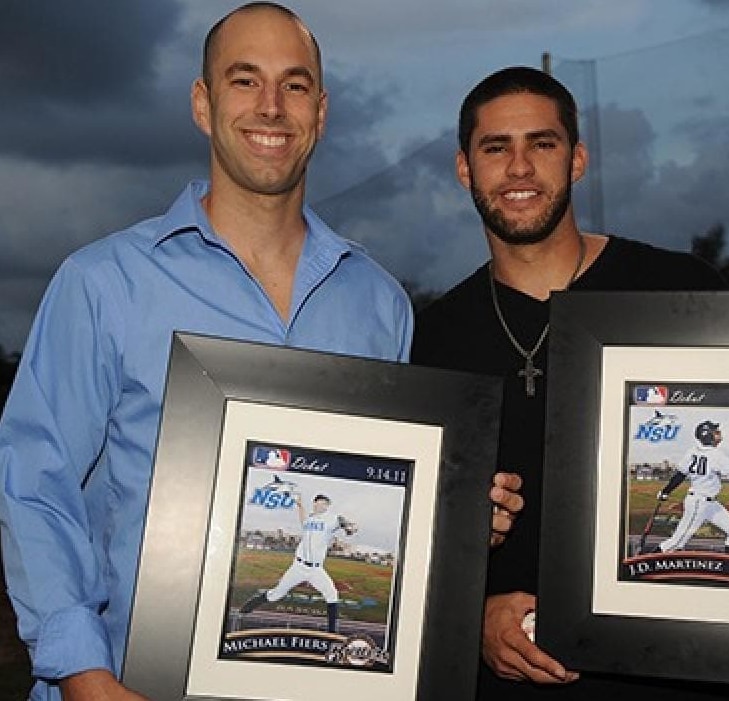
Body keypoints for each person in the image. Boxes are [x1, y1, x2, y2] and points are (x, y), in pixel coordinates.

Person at [0, 6, 522, 700]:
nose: (271, 107)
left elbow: (380, 492)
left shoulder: (377, 301)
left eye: (295, 85)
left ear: (322, 110)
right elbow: (36, 487)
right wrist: (83, 672)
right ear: (202, 102)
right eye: (244, 81)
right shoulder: (103, 283)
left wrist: (453, 514)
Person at [411, 66, 729, 700]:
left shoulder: (682, 291)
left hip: (684, 679)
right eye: (495, 148)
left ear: (578, 159)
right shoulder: (432, 338)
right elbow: (418, 540)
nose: (519, 167)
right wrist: (471, 614)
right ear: (464, 168)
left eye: (542, 143)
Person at [239, 493, 356, 633]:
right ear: (315, 504)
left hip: (316, 570)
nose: (322, 505)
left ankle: (331, 632)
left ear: (328, 506)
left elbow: (347, 525)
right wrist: (299, 505)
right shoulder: (309, 520)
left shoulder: (332, 519)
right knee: (276, 594)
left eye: (325, 503)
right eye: (320, 502)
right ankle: (249, 606)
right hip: (298, 567)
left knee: (332, 595)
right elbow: (302, 518)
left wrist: (349, 528)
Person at [654, 420, 729, 555]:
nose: (719, 435)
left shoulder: (692, 452)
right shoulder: (717, 455)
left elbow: (679, 475)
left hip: (710, 504)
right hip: (699, 503)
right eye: (715, 432)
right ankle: (643, 563)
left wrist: (665, 491)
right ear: (708, 436)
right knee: (677, 542)